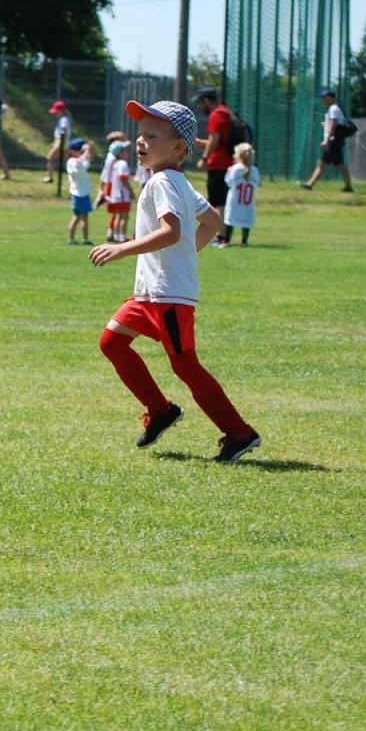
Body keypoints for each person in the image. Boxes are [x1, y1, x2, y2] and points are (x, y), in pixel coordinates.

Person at [89, 99, 262, 463]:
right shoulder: (177, 182)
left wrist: (122, 249)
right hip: (150, 295)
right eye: (141, 134)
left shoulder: (163, 182)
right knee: (112, 343)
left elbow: (171, 232)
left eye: (152, 136)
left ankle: (239, 432)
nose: (141, 141)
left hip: (168, 296)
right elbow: (213, 224)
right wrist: (184, 255)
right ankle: (161, 410)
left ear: (179, 147)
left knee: (186, 366)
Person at [193, 86, 234, 243]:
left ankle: (220, 236)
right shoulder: (227, 112)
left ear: (206, 101)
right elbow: (217, 142)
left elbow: (215, 140)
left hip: (219, 164)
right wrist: (200, 143)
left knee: (217, 202)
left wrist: (204, 159)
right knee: (221, 200)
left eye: (201, 103)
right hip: (228, 163)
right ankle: (222, 235)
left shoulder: (216, 115)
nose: (201, 106)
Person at [301, 90, 354, 191]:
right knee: (331, 163)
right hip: (333, 140)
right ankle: (310, 184)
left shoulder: (333, 108)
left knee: (333, 164)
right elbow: (334, 123)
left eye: (325, 97)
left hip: (332, 141)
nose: (323, 100)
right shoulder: (333, 109)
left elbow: (334, 124)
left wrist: (327, 140)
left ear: (331, 98)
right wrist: (325, 124)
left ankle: (310, 184)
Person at [221, 142, 259, 246]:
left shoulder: (235, 169)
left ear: (240, 156)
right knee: (246, 221)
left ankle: (227, 240)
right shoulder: (255, 170)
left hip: (235, 202)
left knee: (230, 220)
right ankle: (244, 241)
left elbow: (228, 182)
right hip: (248, 204)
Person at [104, 140, 134, 243]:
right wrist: (131, 191)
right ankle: (121, 237)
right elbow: (123, 178)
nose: (128, 153)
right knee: (124, 216)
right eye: (125, 151)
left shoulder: (115, 163)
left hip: (115, 194)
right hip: (122, 194)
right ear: (120, 153)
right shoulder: (122, 164)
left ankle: (116, 236)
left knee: (118, 215)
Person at [66, 138, 95, 245]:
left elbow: (86, 162)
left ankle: (71, 239)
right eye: (80, 150)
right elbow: (80, 164)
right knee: (83, 218)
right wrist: (86, 153)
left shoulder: (75, 162)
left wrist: (88, 151)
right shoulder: (73, 162)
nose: (82, 152)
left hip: (77, 193)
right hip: (80, 193)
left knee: (76, 216)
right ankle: (85, 239)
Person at [43, 98, 71, 182]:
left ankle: (49, 177)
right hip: (61, 141)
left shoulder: (63, 120)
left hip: (61, 141)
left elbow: (64, 131)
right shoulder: (63, 119)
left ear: (61, 111)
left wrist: (59, 143)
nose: (55, 113)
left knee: (50, 158)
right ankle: (72, 179)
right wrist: (55, 142)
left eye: (56, 111)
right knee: (67, 162)